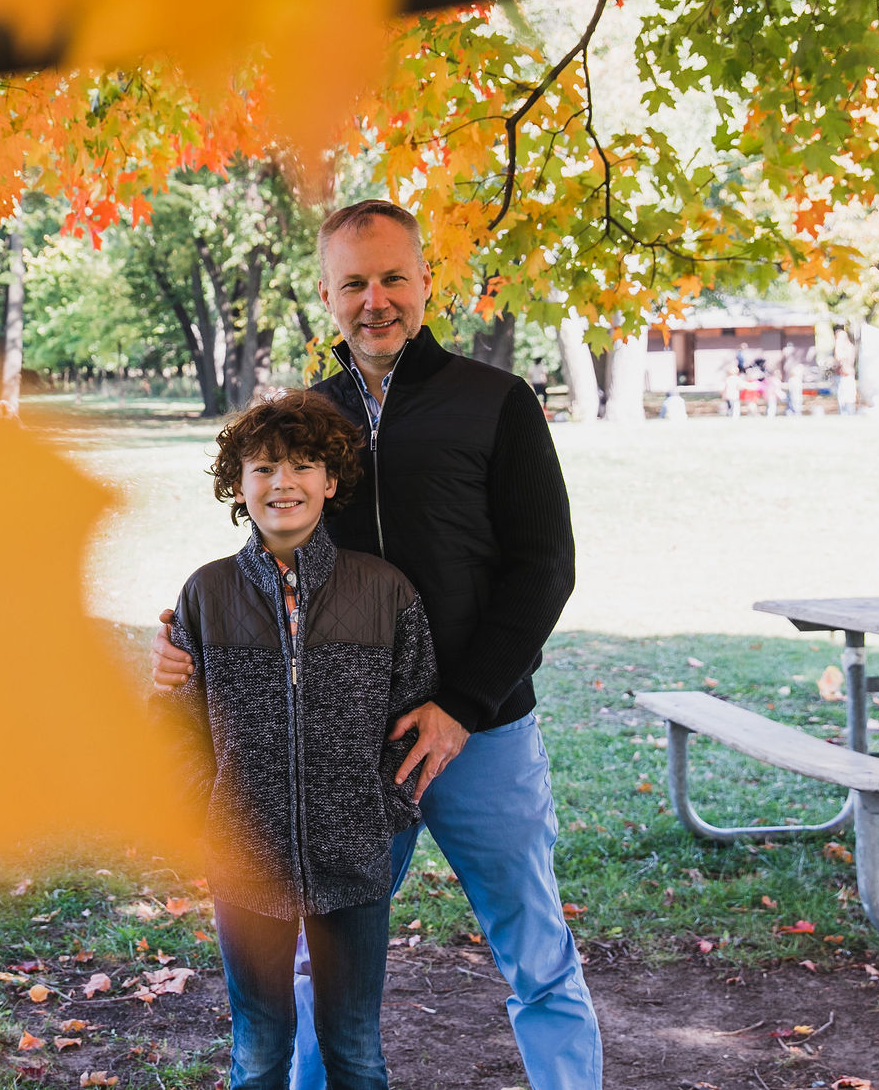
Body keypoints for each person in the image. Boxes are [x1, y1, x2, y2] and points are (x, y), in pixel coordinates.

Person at [153, 199, 601, 1089]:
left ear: (428, 280)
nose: (377, 299)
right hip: (348, 741)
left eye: (394, 276)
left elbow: (546, 566)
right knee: (325, 949)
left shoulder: (496, 402)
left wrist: (462, 703)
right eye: (354, 282)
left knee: (535, 946)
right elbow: (266, 555)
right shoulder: (307, 420)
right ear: (326, 293)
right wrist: (181, 642)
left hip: (484, 731)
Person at [159, 391, 437, 1090]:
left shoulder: (384, 591)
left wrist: (381, 811)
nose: (283, 482)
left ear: (331, 481)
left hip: (354, 858)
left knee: (354, 1046)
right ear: (238, 484)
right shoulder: (206, 593)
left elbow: (413, 714)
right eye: (263, 468)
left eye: (303, 465)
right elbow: (175, 726)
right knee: (257, 1045)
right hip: (244, 856)